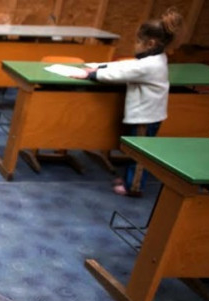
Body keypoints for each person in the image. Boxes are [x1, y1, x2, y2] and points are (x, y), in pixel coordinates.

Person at [76, 8, 183, 196]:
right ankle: (130, 179)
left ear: (150, 43)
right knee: (134, 150)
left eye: (137, 41)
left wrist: (93, 74)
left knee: (139, 154)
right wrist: (99, 65)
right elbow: (127, 65)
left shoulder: (150, 65)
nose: (135, 45)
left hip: (146, 117)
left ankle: (133, 187)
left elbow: (122, 73)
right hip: (147, 114)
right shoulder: (155, 58)